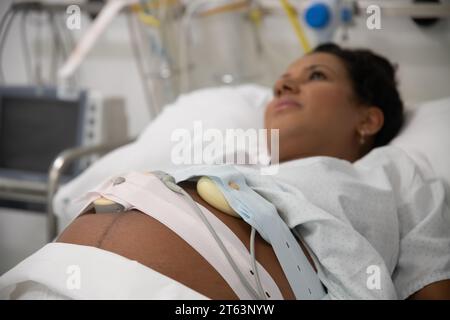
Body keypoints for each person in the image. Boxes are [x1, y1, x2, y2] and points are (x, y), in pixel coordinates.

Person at [2, 43, 450, 299]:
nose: (284, 84)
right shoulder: (230, 157)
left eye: (315, 76)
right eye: (282, 79)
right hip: (45, 276)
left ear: (368, 120)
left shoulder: (397, 173)